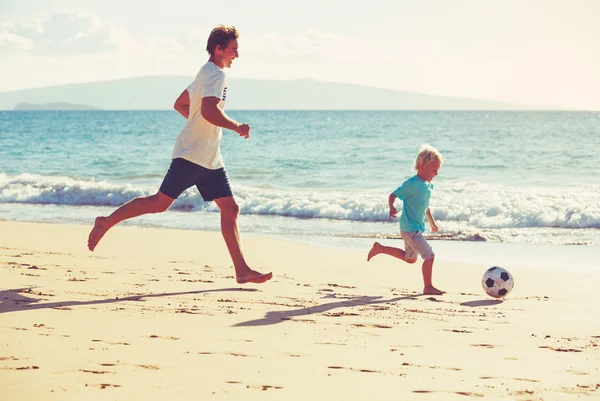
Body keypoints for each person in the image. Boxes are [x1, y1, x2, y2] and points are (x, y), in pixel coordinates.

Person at [87, 25, 272, 284]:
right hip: (192, 155)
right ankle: (106, 221)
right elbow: (208, 111)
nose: (236, 56)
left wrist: (199, 125)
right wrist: (236, 126)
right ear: (219, 49)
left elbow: (181, 104)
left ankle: (242, 270)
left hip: (209, 156)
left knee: (230, 209)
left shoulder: (204, 72)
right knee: (159, 204)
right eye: (233, 50)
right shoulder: (216, 75)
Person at [367, 144, 444, 295]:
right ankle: (428, 287)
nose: (436, 173)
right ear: (421, 167)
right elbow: (393, 195)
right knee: (429, 256)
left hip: (412, 228)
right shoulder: (412, 184)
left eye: (438, 170)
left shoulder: (428, 186)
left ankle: (380, 248)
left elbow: (425, 205)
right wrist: (391, 207)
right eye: (434, 170)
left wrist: (432, 223)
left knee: (410, 259)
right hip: (410, 229)